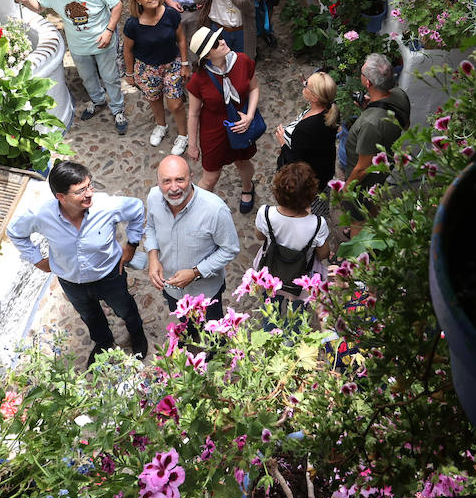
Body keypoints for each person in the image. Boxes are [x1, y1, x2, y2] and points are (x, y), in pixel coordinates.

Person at [5, 161, 148, 365]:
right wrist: (37, 260)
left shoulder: (106, 206)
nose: (89, 194)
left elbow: (137, 209)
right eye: (81, 191)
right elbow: (15, 232)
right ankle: (103, 342)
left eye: (89, 186)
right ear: (61, 197)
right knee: (89, 315)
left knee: (125, 308)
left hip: (110, 276)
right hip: (71, 282)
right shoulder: (41, 215)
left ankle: (137, 333)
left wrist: (132, 244)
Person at [13, 0, 128, 134]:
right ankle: (98, 101)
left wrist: (109, 31)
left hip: (104, 43)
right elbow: (39, 6)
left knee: (110, 77)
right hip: (78, 46)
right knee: (87, 77)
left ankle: (118, 109)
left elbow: (117, 5)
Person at [143, 154, 241, 320]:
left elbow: (230, 249)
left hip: (205, 294)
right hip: (172, 290)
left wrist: (195, 272)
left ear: (191, 178)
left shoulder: (215, 210)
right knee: (185, 325)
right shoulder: (154, 197)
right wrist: (153, 257)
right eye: (166, 181)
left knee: (212, 329)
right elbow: (151, 227)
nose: (174, 188)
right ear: (158, 183)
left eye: (180, 180)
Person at [186, 25, 260, 213]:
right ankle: (195, 211)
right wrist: (192, 144)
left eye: (219, 38)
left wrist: (250, 116)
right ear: (206, 56)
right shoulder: (198, 79)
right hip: (213, 130)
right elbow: (193, 113)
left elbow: (254, 88)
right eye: (215, 44)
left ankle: (248, 188)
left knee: (243, 162)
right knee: (210, 177)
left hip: (239, 125)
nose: (222, 42)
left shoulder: (242, 61)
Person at [123, 0, 190, 155]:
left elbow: (181, 39)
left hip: (172, 65)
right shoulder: (133, 24)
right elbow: (127, 50)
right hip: (147, 69)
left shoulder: (170, 14)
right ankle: (161, 125)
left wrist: (185, 64)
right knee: (154, 99)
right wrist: (129, 74)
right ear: (138, 0)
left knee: (176, 104)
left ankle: (183, 135)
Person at [252, 162, 331, 312]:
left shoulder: (265, 213)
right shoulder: (318, 224)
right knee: (297, 312)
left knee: (270, 307)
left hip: (270, 271)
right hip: (299, 279)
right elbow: (323, 254)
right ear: (311, 195)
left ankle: (270, 322)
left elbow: (260, 236)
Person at [343, 53, 410, 227]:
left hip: (366, 178)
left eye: (362, 73)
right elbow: (406, 125)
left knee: (357, 215)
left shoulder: (370, 124)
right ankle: (375, 222)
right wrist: (371, 108)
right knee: (371, 201)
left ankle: (359, 235)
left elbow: (362, 169)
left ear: (368, 83)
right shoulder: (400, 94)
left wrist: (346, 189)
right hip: (386, 162)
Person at [275, 70, 339, 214]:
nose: (303, 85)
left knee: (305, 213)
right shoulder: (331, 110)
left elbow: (295, 163)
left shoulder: (306, 129)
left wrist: (283, 143)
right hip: (324, 171)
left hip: (309, 182)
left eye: (306, 85)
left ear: (315, 97)